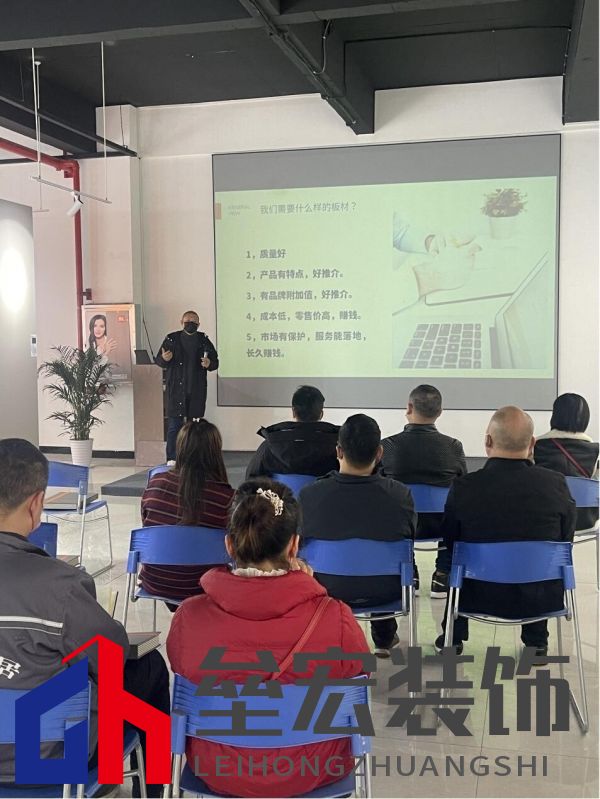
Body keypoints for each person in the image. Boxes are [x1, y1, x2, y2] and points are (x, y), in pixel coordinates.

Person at [167, 478, 369, 798]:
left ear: (229, 545)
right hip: (312, 768)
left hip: (218, 769)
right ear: (294, 546)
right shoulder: (335, 618)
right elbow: (361, 678)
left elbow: (182, 668)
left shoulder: (188, 617)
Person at [0, 439, 170, 796]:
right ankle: (151, 789)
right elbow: (111, 654)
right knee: (149, 667)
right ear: (36, 503)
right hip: (49, 764)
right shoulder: (60, 586)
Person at [434, 407, 576, 658]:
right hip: (541, 599)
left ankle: (452, 639)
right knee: (541, 555)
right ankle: (537, 643)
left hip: (477, 595)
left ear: (488, 441)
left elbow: (450, 539)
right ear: (532, 444)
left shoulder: (464, 487)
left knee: (458, 557)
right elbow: (566, 538)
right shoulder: (556, 484)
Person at [299, 414, 416, 659]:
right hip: (386, 590)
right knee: (381, 558)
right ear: (380, 453)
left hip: (325, 588)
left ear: (338, 451)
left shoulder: (310, 496)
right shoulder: (400, 495)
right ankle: (383, 637)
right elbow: (408, 537)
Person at [381, 384, 467, 598]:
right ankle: (443, 575)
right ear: (440, 412)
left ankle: (409, 573)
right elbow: (462, 487)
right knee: (458, 506)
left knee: (390, 504)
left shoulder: (388, 446)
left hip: (404, 525)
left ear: (409, 407)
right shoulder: (453, 447)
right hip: (442, 525)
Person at [140, 419, 235, 605]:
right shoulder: (226, 498)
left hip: (156, 581)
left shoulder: (154, 484)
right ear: (216, 453)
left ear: (180, 448)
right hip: (205, 586)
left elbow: (147, 526)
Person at [155, 310, 219, 464]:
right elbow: (159, 360)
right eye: (187, 321)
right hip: (176, 391)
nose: (191, 323)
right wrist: (164, 359)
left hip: (196, 391)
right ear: (181, 322)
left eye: (194, 321)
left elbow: (215, 362)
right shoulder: (171, 339)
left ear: (199, 324)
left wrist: (209, 363)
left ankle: (192, 457)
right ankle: (172, 458)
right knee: (174, 426)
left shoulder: (204, 340)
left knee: (194, 428)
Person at [534, 393, 599, 531]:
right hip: (584, 520)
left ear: (555, 416)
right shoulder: (595, 451)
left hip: (547, 519)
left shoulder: (537, 446)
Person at [245, 385, 339, 479]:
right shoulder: (337, 448)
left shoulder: (269, 446)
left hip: (280, 489)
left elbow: (251, 480)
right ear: (321, 414)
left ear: (294, 412)